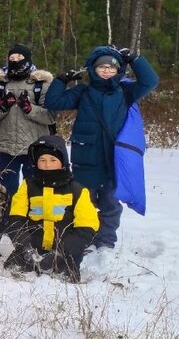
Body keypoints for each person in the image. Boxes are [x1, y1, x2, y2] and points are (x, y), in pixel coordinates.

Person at [45, 46, 158, 249]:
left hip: (114, 160)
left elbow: (150, 81)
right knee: (83, 203)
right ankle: (83, 239)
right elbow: (54, 101)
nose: (106, 71)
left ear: (118, 70)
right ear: (93, 69)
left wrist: (135, 59)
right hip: (87, 158)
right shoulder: (84, 91)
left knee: (111, 205)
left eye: (111, 67)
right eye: (101, 67)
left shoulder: (125, 92)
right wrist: (61, 80)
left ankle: (106, 242)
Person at [4, 136, 100, 282]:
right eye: (42, 160)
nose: (47, 165)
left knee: (65, 282)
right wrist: (24, 245)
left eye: (52, 160)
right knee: (8, 277)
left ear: (62, 162)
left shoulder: (78, 190)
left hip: (64, 253)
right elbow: (15, 218)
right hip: (30, 250)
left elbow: (87, 226)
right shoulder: (27, 186)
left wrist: (63, 250)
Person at [0, 44, 56, 195]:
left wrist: (30, 108)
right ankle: (9, 217)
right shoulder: (0, 86)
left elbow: (51, 116)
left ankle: (33, 218)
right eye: (12, 58)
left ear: (28, 60)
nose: (15, 61)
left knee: (34, 191)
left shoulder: (41, 85)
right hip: (7, 147)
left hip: (35, 147)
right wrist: (3, 106)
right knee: (7, 191)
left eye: (19, 58)